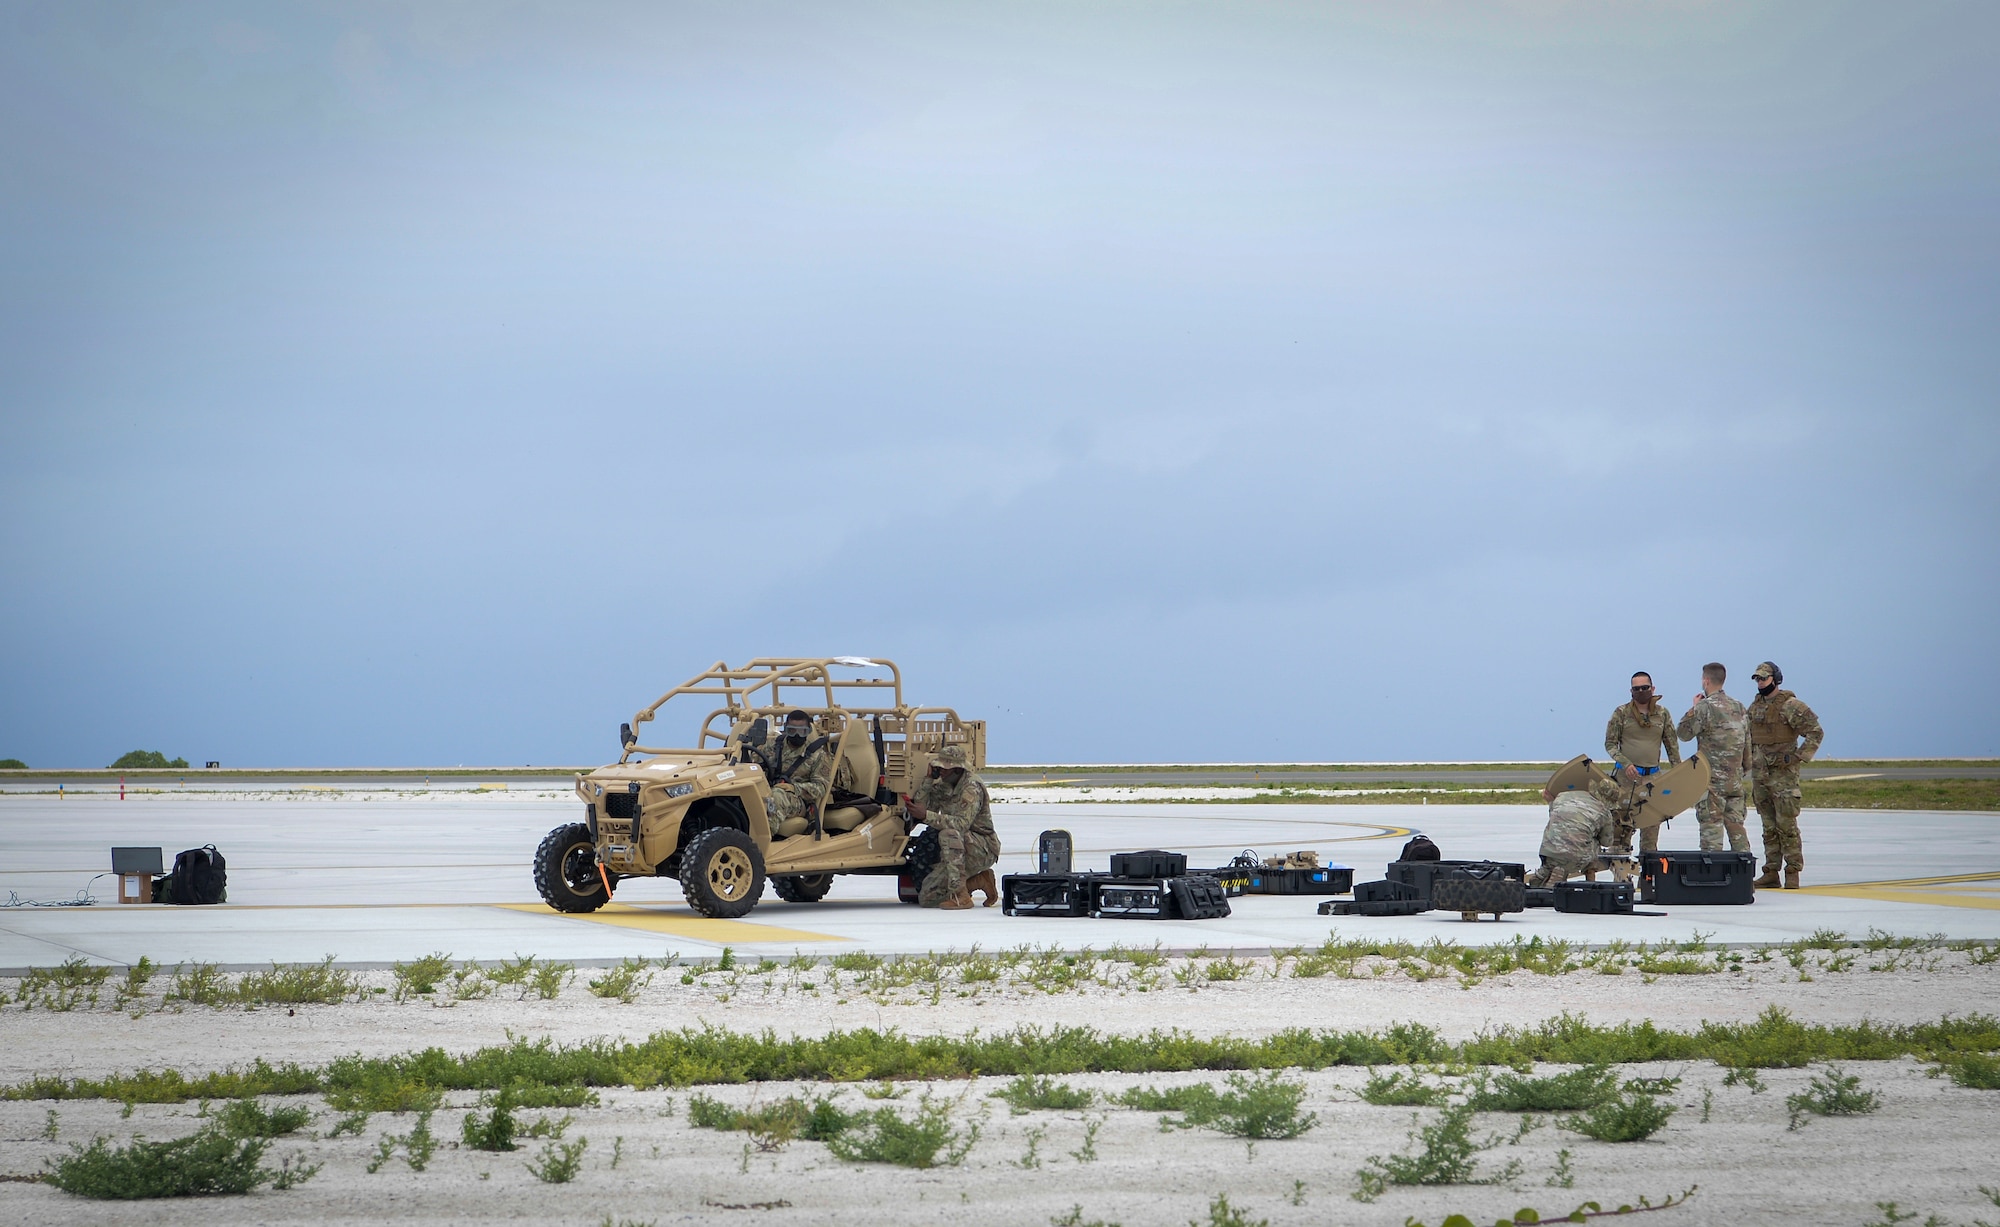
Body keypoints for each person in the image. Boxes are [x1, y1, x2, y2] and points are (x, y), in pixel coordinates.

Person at [1746, 662, 1824, 889]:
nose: (1760, 683)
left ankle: (1793, 871)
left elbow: (1815, 731)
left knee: (1786, 826)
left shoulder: (1791, 706)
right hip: (1761, 776)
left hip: (1783, 777)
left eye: (1764, 678)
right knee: (1768, 827)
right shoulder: (1754, 708)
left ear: (1775, 679)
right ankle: (1771, 871)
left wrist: (1799, 756)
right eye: (1757, 679)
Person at [904, 744, 999, 909]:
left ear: (958, 770)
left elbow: (961, 824)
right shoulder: (945, 785)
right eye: (939, 768)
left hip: (981, 846)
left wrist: (925, 815)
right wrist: (928, 781)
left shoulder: (971, 787)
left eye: (945, 769)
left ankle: (961, 895)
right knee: (928, 897)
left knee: (948, 833)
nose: (941, 771)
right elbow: (926, 807)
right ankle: (979, 880)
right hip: (956, 848)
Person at [1604, 672, 1682, 858]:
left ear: (1652, 688)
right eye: (1636, 689)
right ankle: (1621, 881)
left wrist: (1679, 774)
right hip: (1626, 779)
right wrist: (1625, 763)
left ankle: (1647, 879)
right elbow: (1610, 744)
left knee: (1650, 831)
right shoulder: (1621, 713)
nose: (1641, 692)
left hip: (1652, 780)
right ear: (1631, 691)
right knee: (1621, 831)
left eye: (1644, 688)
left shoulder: (1662, 714)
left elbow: (1672, 746)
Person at [1676, 662, 1752, 854]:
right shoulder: (1739, 707)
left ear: (1706, 681)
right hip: (1734, 782)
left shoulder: (1704, 707)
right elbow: (1747, 743)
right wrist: (1743, 769)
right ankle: (1744, 876)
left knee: (1711, 836)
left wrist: (1693, 708)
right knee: (1738, 831)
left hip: (1711, 784)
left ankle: (1712, 877)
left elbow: (1683, 733)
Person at [1525, 770, 1623, 887]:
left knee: (1559, 831)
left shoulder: (1564, 796)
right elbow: (1606, 842)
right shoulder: (1605, 813)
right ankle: (1590, 881)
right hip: (1576, 857)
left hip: (1549, 851)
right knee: (1595, 842)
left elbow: (1555, 815)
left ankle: (1542, 875)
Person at [755, 710, 832, 840]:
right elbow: (753, 766)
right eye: (792, 731)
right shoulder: (771, 747)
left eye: (802, 731)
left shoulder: (818, 755)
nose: (797, 735)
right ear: (785, 729)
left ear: (808, 731)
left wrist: (794, 788)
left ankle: (763, 841)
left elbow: (821, 787)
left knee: (776, 797)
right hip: (768, 789)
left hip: (798, 800)